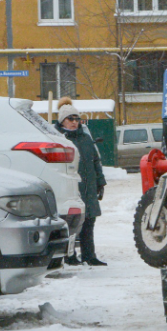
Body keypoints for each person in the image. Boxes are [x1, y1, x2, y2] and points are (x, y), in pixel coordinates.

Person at [57, 100, 107, 267]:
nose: (74, 122)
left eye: (76, 119)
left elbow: (95, 161)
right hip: (70, 188)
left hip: (88, 187)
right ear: (62, 120)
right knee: (70, 223)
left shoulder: (85, 138)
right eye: (70, 119)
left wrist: (100, 183)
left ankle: (89, 255)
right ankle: (69, 256)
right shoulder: (57, 139)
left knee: (89, 221)